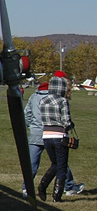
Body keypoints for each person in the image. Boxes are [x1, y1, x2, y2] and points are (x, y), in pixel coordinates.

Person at [24, 74, 83, 197]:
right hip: (57, 133)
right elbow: (66, 120)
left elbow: (27, 114)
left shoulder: (34, 97)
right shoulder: (59, 99)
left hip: (38, 133)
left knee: (32, 164)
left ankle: (27, 188)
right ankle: (67, 187)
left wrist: (32, 125)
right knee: (61, 163)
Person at [37, 74, 77, 202]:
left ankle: (43, 185)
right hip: (60, 135)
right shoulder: (62, 101)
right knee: (62, 166)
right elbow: (66, 121)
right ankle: (57, 195)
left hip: (46, 135)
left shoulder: (43, 100)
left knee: (55, 163)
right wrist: (71, 125)